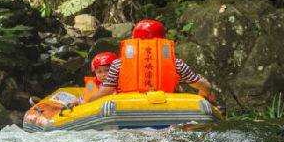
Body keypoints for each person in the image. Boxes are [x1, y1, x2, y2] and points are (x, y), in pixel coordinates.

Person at [82, 19, 216, 104]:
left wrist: (84, 102)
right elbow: (205, 87)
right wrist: (204, 97)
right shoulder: (176, 63)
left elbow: (105, 91)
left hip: (128, 108)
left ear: (134, 42)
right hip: (164, 107)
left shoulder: (119, 63)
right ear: (162, 41)